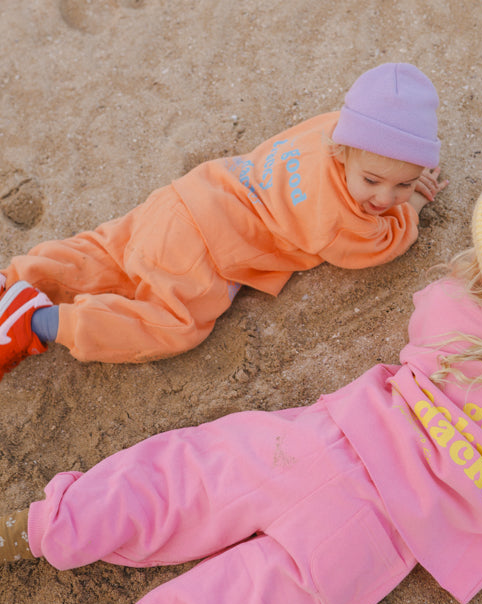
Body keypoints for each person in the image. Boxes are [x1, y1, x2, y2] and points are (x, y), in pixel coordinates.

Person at [0, 171, 482, 604]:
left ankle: (58, 521)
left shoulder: (454, 307)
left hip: (318, 442)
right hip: (376, 538)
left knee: (190, 476)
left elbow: (427, 328)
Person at [0, 62, 445, 376]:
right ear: (345, 151)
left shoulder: (329, 130)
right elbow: (381, 246)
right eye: (372, 181)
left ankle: (16, 280)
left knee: (103, 254)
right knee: (172, 323)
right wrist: (413, 207)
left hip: (188, 195)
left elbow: (379, 151)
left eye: (403, 184)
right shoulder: (336, 216)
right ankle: (37, 323)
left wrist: (391, 171)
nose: (384, 198)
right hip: (204, 249)